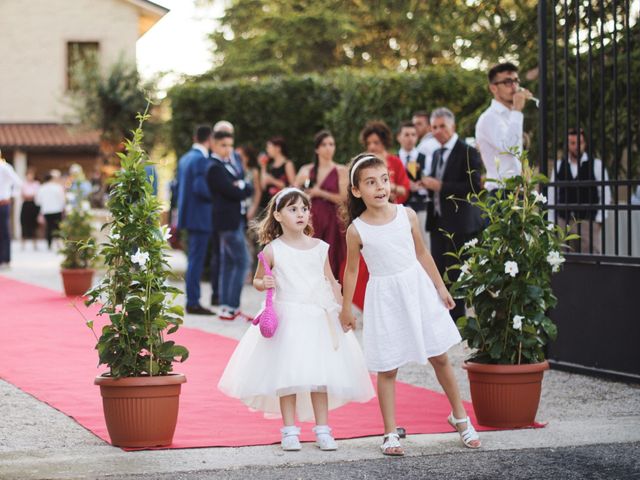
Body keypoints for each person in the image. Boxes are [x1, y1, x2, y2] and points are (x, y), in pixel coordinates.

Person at [339, 153, 481, 457]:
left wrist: (440, 287)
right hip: (385, 297)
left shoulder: (407, 215)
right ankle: (390, 432)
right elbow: (351, 271)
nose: (380, 187)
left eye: (384, 180)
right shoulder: (357, 230)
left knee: (440, 357)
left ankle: (460, 416)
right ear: (356, 191)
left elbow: (423, 253)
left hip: (417, 290)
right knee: (388, 368)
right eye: (370, 182)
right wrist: (346, 307)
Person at [218, 187, 375, 451]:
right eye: (293, 209)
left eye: (304, 209)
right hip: (287, 318)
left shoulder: (320, 248)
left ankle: (323, 429)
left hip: (318, 318)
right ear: (278, 216)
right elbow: (258, 279)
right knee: (287, 376)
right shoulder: (272, 250)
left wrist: (343, 309)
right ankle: (289, 430)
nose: (301, 214)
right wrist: (262, 282)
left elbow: (331, 281)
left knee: (320, 376)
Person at [423, 108, 484, 321]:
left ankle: (458, 317)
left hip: (459, 222)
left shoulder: (468, 151)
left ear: (453, 127)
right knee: (438, 269)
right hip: (438, 220)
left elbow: (474, 186)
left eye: (442, 126)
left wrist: (441, 185)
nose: (438, 131)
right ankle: (443, 314)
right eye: (434, 127)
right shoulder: (436, 153)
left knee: (457, 271)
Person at [206, 130, 253, 321]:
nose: (228, 149)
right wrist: (241, 187)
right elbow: (232, 191)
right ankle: (232, 306)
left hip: (234, 219)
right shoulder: (214, 167)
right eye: (223, 145)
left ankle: (226, 306)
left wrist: (241, 186)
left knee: (229, 262)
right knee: (243, 261)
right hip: (227, 222)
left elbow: (246, 188)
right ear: (214, 145)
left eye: (230, 145)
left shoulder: (231, 164)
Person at [547, 128, 612, 254]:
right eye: (572, 143)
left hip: (588, 222)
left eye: (580, 143)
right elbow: (552, 192)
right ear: (568, 145)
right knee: (562, 260)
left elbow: (604, 192)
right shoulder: (560, 165)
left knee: (590, 260)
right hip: (563, 221)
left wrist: (599, 218)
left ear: (585, 143)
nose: (576, 146)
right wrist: (551, 219)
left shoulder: (596, 165)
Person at [294, 130, 348, 279]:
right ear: (317, 149)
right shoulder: (306, 170)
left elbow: (344, 198)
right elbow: (293, 194)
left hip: (334, 222)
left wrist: (320, 193)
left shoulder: (341, 170)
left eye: (331, 144)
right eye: (324, 144)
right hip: (311, 220)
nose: (328, 148)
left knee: (333, 257)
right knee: (310, 259)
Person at [475, 62, 534, 192]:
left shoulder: (510, 116)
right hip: (501, 193)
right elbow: (511, 148)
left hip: (518, 192)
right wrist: (517, 110)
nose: (514, 87)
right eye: (507, 82)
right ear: (493, 88)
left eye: (516, 81)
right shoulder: (489, 118)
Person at [177, 125, 215, 315]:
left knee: (193, 259)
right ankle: (193, 301)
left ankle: (192, 299)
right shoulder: (201, 160)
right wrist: (216, 194)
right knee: (196, 260)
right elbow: (200, 188)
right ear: (209, 139)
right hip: (200, 216)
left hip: (188, 215)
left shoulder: (185, 158)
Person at [397, 121, 430, 248]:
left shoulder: (425, 158)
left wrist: (423, 183)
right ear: (399, 137)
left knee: (424, 244)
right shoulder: (394, 159)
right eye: (406, 135)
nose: (410, 138)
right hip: (399, 209)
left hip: (421, 207)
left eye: (413, 135)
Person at [0, 150, 22, 268]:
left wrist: (12, 196)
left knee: (4, 232)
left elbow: (18, 182)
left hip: (3, 203)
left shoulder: (4, 167)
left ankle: (5, 260)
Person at [260, 136, 296, 208]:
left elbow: (293, 187)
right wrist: (263, 167)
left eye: (269, 147)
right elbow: (263, 187)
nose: (267, 150)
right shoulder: (270, 166)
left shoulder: (287, 164)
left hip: (282, 205)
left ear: (278, 148)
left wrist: (272, 181)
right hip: (269, 205)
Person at [35, 171, 65, 250]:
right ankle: (58, 244)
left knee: (49, 227)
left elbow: (38, 201)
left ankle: (49, 244)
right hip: (57, 210)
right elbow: (62, 200)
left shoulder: (42, 188)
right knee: (57, 227)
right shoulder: (58, 187)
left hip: (46, 210)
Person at [20, 167, 40, 250]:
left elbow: (37, 194)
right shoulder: (23, 184)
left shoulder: (36, 184)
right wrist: (29, 196)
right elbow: (22, 195)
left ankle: (35, 244)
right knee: (24, 223)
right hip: (26, 205)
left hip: (33, 205)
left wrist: (30, 196)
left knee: (33, 224)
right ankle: (23, 244)